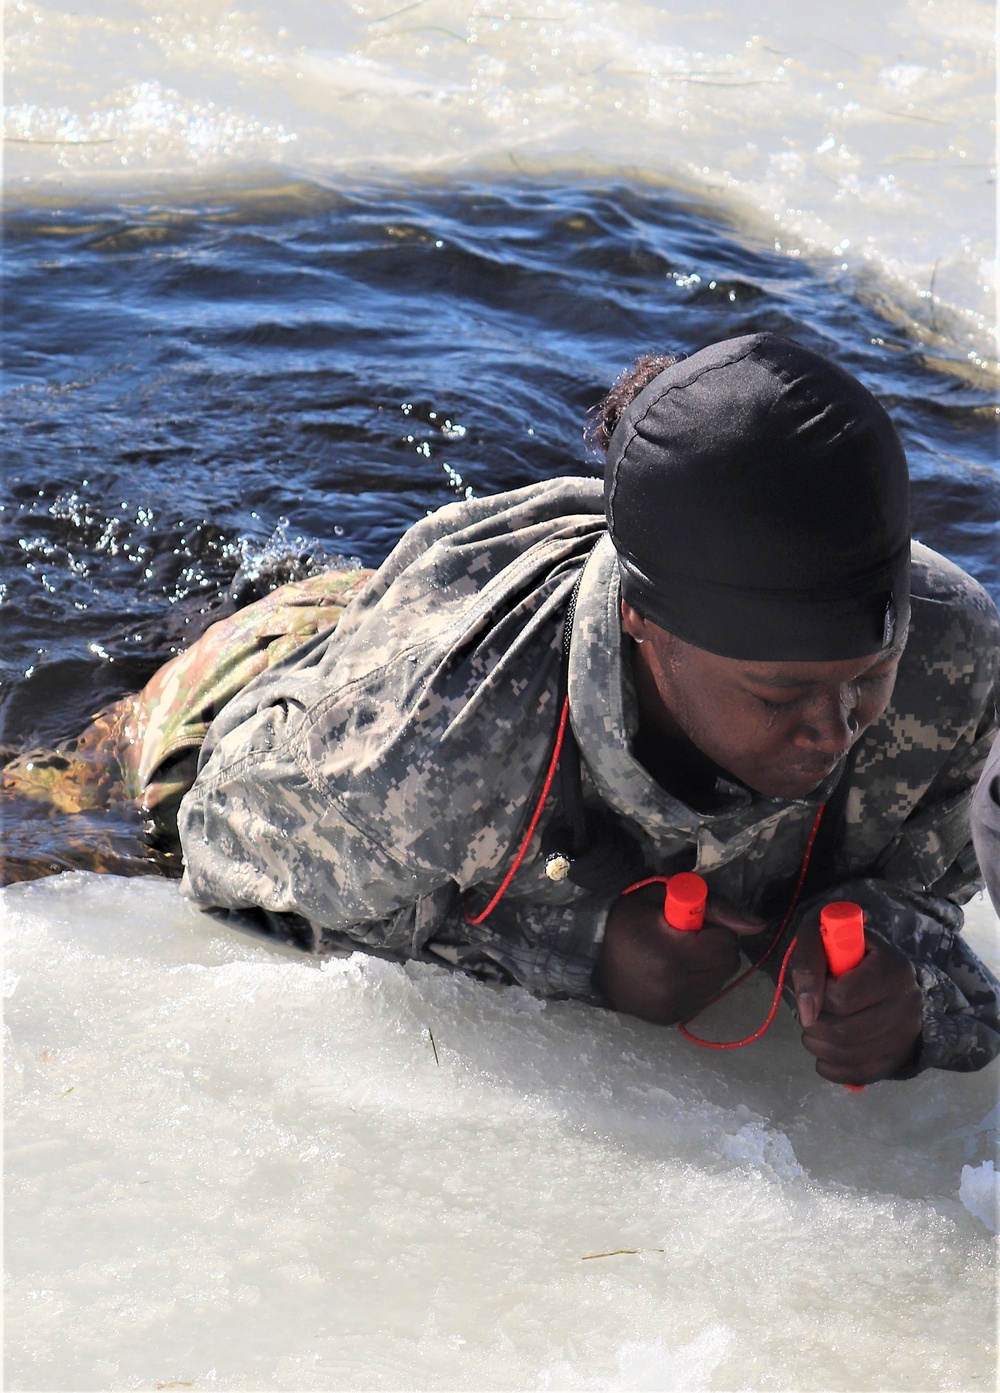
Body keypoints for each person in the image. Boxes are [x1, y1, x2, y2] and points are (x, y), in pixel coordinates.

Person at [172, 333, 1000, 1086]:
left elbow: (930, 883)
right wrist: (582, 950)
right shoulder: (435, 736)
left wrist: (909, 989)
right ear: (645, 624)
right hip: (266, 665)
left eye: (869, 675)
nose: (835, 729)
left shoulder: (956, 662)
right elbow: (222, 853)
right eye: (778, 696)